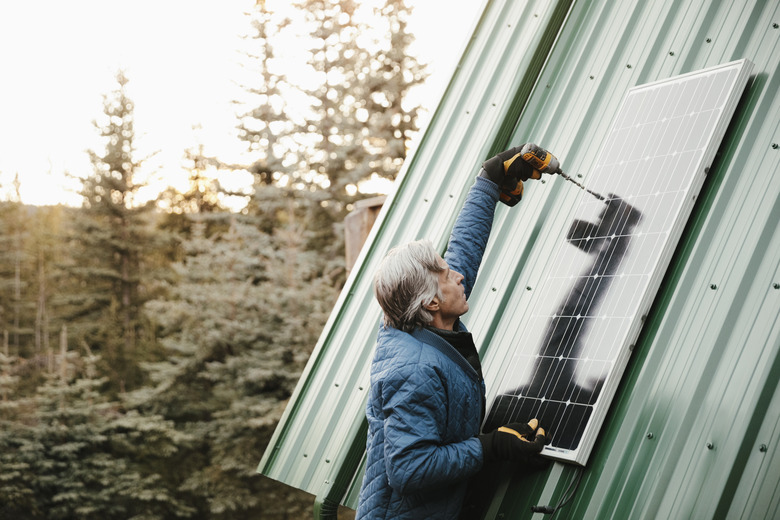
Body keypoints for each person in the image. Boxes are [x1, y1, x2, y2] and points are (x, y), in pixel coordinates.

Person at [356, 146, 553, 520]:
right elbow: (409, 469)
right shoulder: (414, 370)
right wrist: (490, 447)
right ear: (431, 302)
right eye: (447, 275)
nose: (458, 275)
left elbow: (463, 251)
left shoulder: (427, 319)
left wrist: (489, 182)